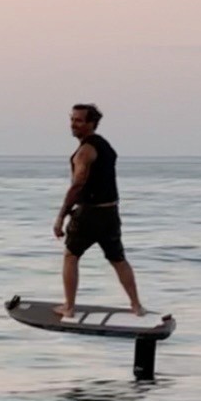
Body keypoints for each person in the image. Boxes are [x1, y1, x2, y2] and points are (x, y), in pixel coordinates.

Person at [53, 103, 143, 318]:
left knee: (71, 256)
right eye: (72, 119)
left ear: (91, 123)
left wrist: (61, 216)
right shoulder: (105, 146)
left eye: (79, 120)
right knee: (118, 259)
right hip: (110, 213)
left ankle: (69, 307)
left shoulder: (85, 151)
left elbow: (78, 184)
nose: (73, 124)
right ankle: (136, 306)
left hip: (89, 214)